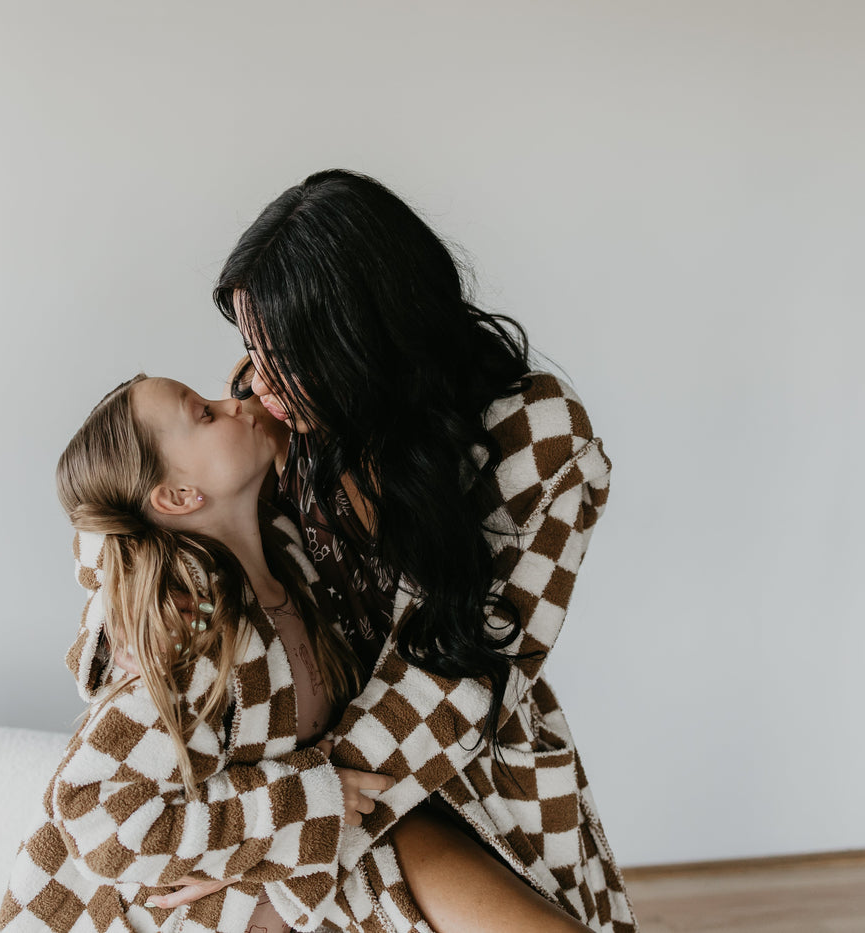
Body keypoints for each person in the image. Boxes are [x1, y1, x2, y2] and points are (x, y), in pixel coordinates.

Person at [160, 168, 638, 932]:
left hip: (464, 771)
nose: (255, 377)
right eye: (249, 341)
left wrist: (292, 823)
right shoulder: (271, 414)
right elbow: (132, 521)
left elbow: (461, 677)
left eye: (283, 349)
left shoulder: (538, 437)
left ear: (364, 335)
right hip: (306, 763)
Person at [0, 374, 396, 933]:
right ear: (178, 497)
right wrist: (305, 800)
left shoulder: (288, 559)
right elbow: (92, 815)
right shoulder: (191, 638)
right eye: (204, 412)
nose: (237, 402)